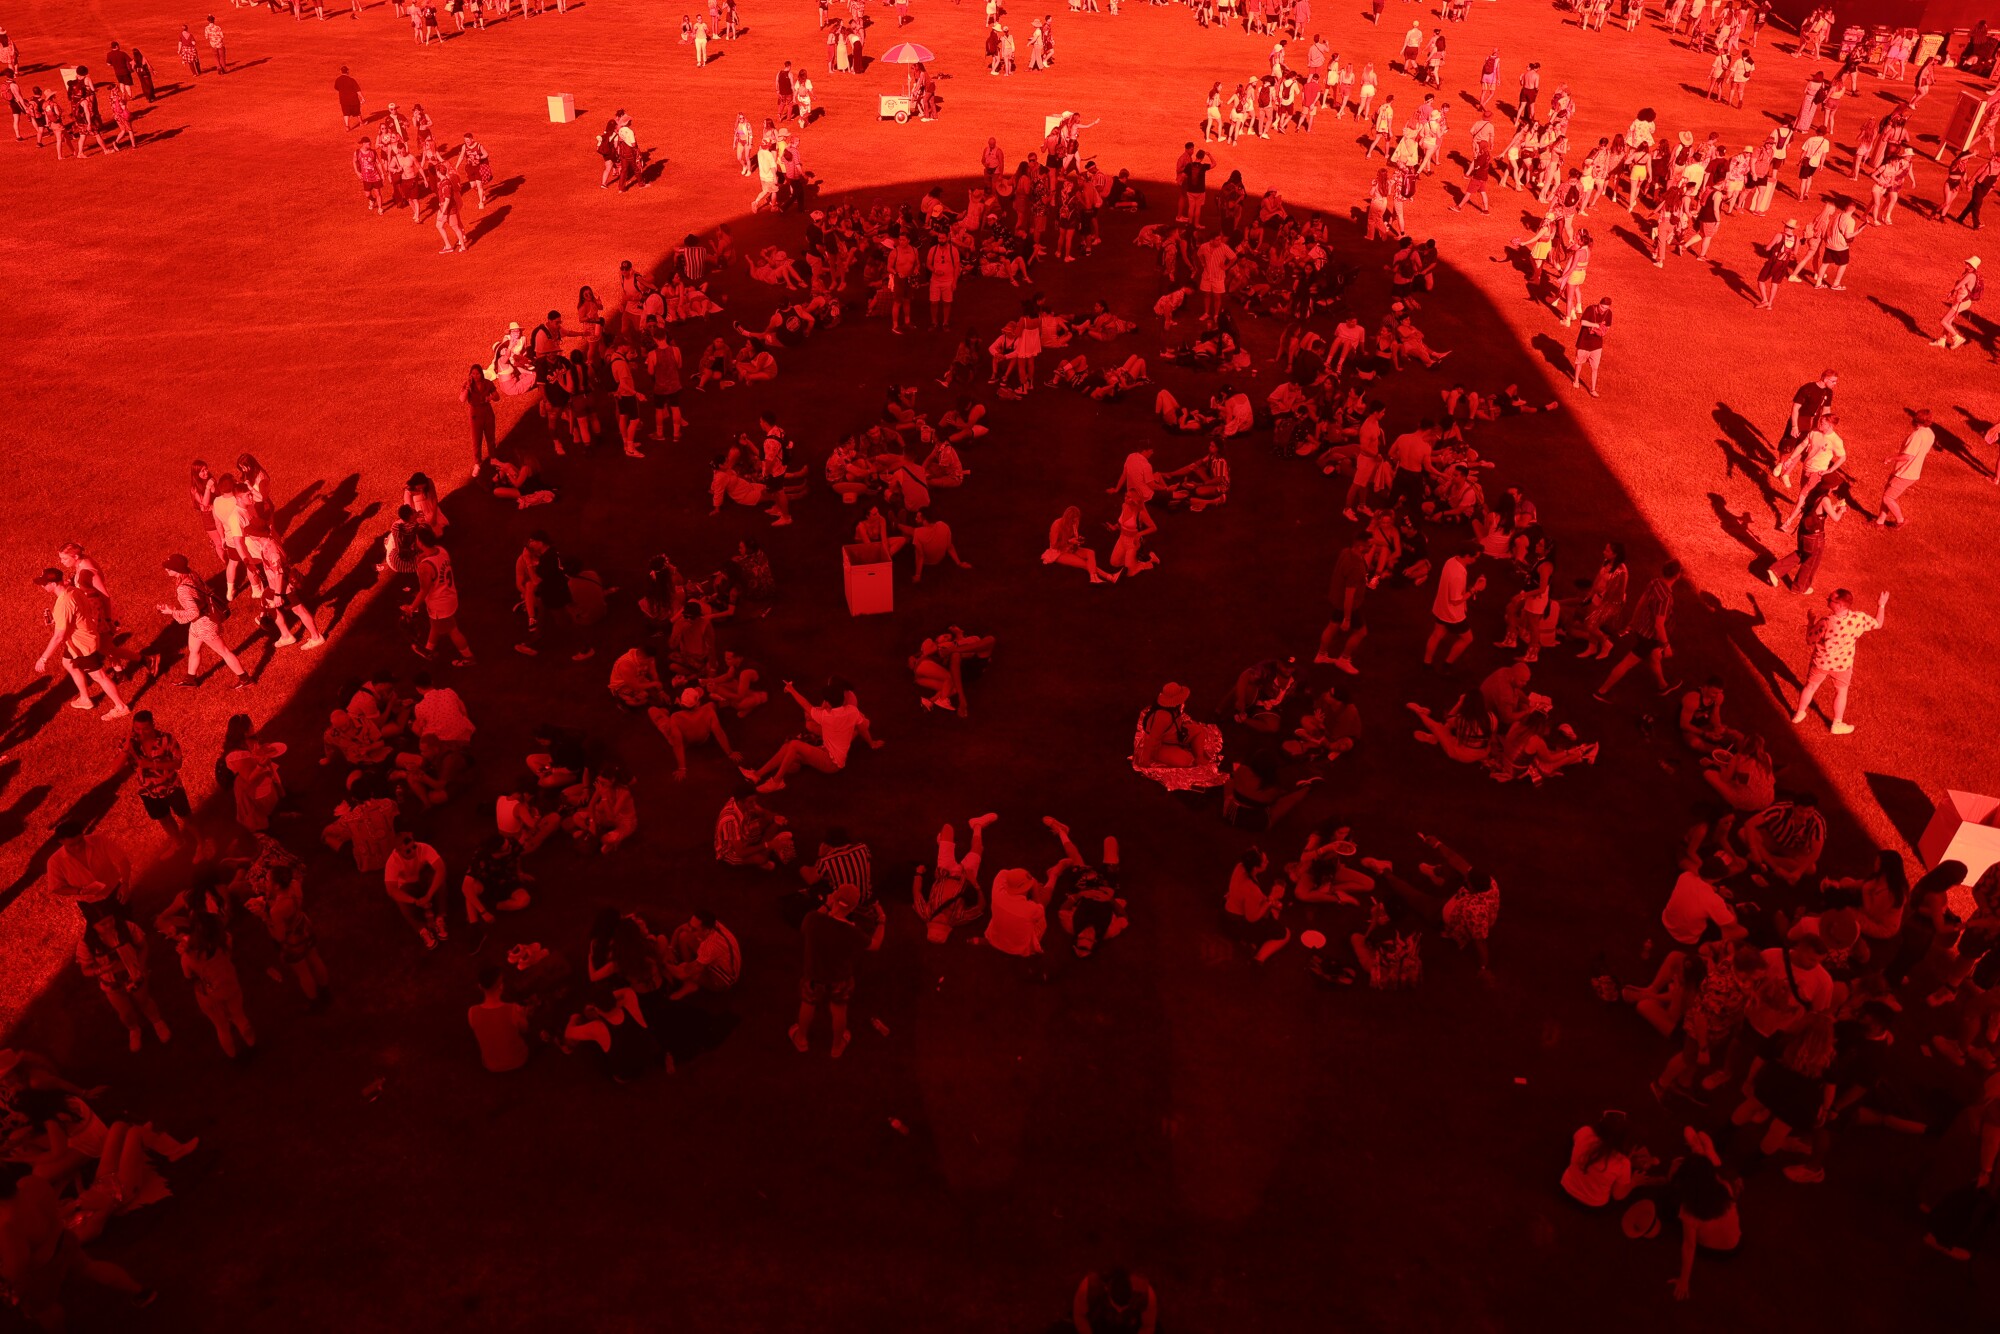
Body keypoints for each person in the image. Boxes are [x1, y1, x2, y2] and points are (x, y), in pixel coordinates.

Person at [32, 568, 130, 718]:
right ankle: (85, 699)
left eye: (44, 583)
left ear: (53, 583)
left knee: (100, 676)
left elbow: (58, 636)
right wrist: (56, 619)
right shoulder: (73, 590)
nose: (42, 586)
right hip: (79, 641)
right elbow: (76, 613)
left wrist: (43, 658)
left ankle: (121, 706)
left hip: (83, 645)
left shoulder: (63, 603)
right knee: (68, 663)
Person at [1791, 587, 1887, 735]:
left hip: (1821, 663)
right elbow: (1878, 623)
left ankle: (1799, 714)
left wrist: (1810, 622)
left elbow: (1810, 640)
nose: (1827, 601)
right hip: (1843, 665)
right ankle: (1837, 724)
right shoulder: (1859, 619)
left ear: (1840, 605)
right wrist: (1881, 605)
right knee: (1841, 692)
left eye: (1830, 600)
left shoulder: (1826, 622)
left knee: (1810, 687)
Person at [792, 882, 864, 1058]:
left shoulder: (812, 919)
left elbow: (805, 927)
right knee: (839, 1009)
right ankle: (837, 1046)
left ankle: (801, 1039)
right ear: (854, 906)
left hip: (814, 975)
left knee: (808, 1003)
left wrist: (827, 904)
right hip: (840, 978)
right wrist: (882, 921)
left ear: (834, 898)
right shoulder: (851, 931)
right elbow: (870, 944)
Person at [1594, 560, 1682, 700]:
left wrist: (1633, 622)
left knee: (1653, 657)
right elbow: (1659, 625)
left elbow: (1641, 602)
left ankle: (1663, 686)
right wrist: (1666, 646)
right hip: (1649, 637)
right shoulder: (1665, 598)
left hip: (1641, 629)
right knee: (1626, 664)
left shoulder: (1655, 583)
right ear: (1677, 575)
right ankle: (1601, 691)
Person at [383, 829, 449, 949]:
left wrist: (429, 895)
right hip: (408, 886)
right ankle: (422, 929)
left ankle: (440, 918)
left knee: (440, 880)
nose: (413, 851)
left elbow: (441, 868)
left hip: (423, 878)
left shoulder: (423, 848)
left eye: (414, 846)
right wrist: (414, 901)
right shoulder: (392, 862)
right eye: (408, 850)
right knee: (400, 899)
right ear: (398, 851)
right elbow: (391, 890)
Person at [1876, 408, 1935, 527]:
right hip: (1909, 471)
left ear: (1915, 420)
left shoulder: (1917, 435)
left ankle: (1900, 521)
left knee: (1888, 498)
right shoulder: (1930, 433)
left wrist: (1890, 458)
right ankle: (1879, 522)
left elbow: (1907, 456)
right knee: (1887, 495)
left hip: (1905, 473)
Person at [468, 966, 530, 1072]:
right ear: (501, 986)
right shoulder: (513, 1010)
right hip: (518, 1060)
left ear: (480, 987)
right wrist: (523, 1016)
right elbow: (525, 1030)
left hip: (491, 1065)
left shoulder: (472, 1012)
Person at [1070, 1266, 1158, 1333]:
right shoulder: (1089, 1288)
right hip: (1098, 1325)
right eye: (1115, 1306)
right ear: (1107, 1288)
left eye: (1125, 1307)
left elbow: (1148, 1326)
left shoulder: (1145, 1295)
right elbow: (1080, 1316)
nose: (1119, 1311)